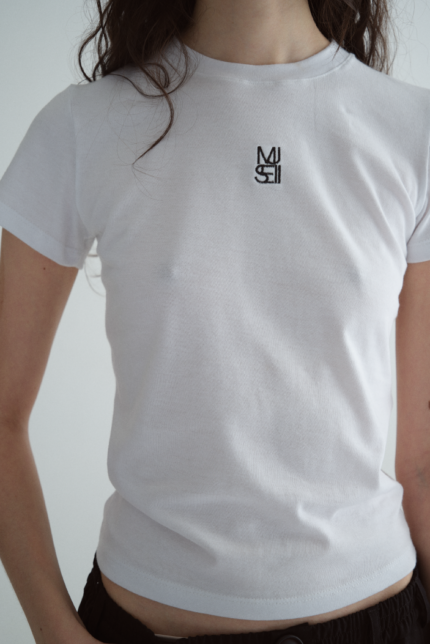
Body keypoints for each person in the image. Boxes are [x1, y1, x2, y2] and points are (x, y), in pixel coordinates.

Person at [1, 0, 430, 643]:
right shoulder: (84, 126)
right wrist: (55, 633)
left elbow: (423, 462)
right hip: (142, 623)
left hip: (378, 617)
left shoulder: (413, 130)